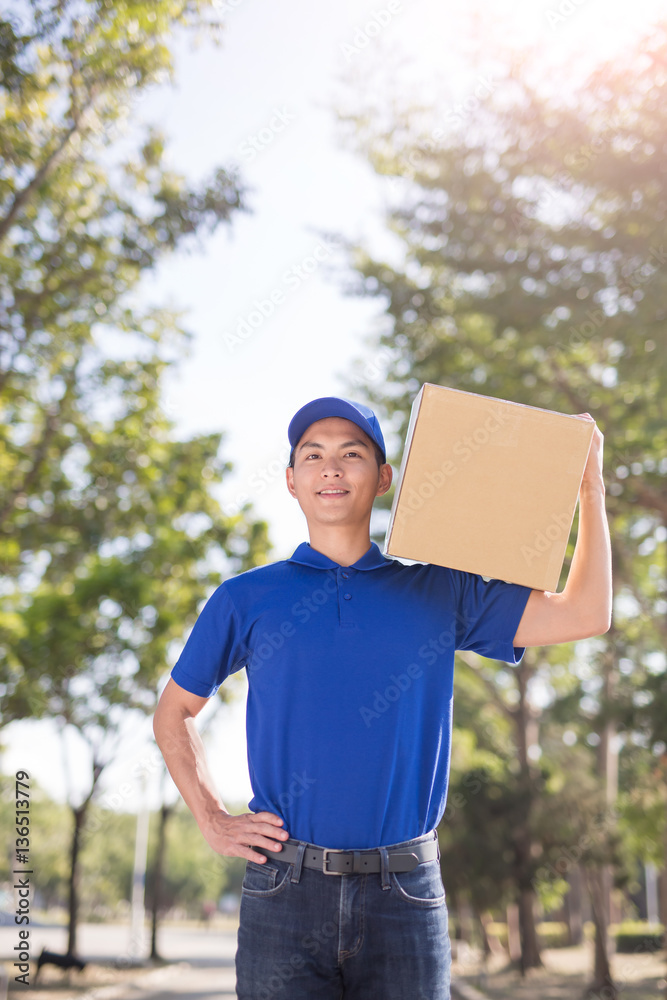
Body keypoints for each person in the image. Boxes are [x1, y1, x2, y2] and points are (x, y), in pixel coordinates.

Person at [153, 395, 612, 1000]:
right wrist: (211, 817)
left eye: (351, 454)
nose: (332, 469)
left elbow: (587, 612)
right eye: (313, 456)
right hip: (283, 889)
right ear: (292, 481)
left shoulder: (441, 587)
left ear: (385, 477)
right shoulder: (246, 598)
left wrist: (588, 486)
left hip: (407, 893)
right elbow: (173, 713)